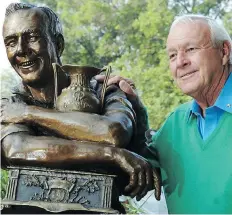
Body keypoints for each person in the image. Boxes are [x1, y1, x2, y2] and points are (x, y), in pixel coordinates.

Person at [0, 2, 161, 207]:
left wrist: (29, 113)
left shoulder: (105, 90)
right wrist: (110, 154)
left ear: (58, 44)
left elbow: (112, 133)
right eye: (11, 42)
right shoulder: (10, 104)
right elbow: (17, 148)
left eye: (32, 37)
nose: (21, 50)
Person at [96, 14, 232, 214]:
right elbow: (142, 171)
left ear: (224, 51)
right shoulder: (176, 123)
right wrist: (134, 107)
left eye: (191, 49)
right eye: (172, 55)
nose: (180, 62)